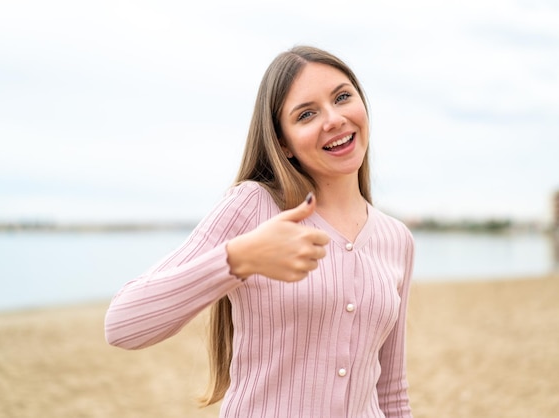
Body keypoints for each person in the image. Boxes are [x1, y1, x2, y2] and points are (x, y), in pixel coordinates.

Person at [105, 45, 414, 418]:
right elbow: (122, 325)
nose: (333, 119)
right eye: (306, 114)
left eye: (343, 97)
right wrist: (239, 259)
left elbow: (391, 392)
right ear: (283, 143)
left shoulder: (398, 240)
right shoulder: (253, 206)